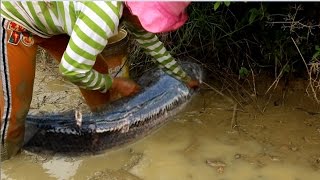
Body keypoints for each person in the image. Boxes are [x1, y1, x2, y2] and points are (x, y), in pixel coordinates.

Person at [0, 1, 200, 161]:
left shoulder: (129, 10)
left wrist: (182, 77)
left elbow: (150, 42)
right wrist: (114, 83)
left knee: (97, 71)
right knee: (13, 110)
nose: (156, 29)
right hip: (15, 19)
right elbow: (71, 70)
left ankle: (106, 130)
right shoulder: (103, 14)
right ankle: (8, 160)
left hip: (49, 15)